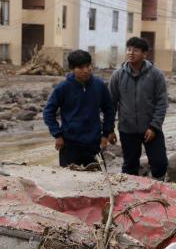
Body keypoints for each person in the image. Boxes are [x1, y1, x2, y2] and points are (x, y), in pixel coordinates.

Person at [109, 36, 169, 180]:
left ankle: (159, 191)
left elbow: (162, 102)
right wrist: (109, 129)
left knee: (159, 162)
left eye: (135, 50)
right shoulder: (118, 75)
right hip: (127, 129)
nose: (131, 53)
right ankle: (130, 196)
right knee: (129, 165)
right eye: (129, 49)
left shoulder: (155, 75)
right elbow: (111, 103)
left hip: (150, 129)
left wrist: (154, 127)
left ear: (144, 54)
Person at [43, 50, 116, 168]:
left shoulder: (99, 85)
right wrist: (57, 135)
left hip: (94, 143)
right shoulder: (63, 87)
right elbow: (48, 112)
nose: (86, 70)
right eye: (81, 67)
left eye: (88, 66)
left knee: (98, 181)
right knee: (69, 181)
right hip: (69, 144)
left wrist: (105, 134)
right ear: (72, 69)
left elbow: (109, 110)